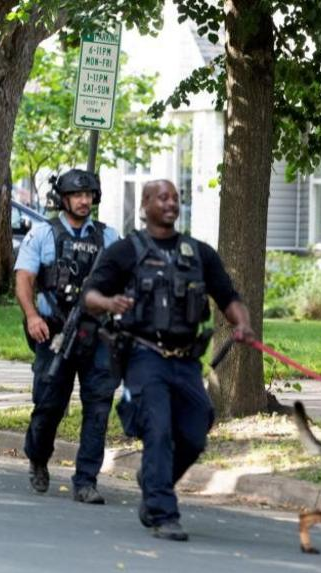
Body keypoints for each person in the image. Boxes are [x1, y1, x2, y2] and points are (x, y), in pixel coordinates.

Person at [83, 179, 254, 541]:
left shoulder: (198, 253)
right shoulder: (125, 251)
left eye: (175, 198)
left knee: (195, 433)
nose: (171, 203)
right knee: (157, 430)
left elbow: (228, 296)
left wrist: (242, 323)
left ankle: (153, 480)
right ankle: (162, 513)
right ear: (145, 205)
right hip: (144, 356)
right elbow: (90, 295)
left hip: (186, 360)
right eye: (162, 198)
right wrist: (110, 303)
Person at [13, 169, 121, 504]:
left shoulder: (109, 236)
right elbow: (24, 279)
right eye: (77, 195)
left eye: (88, 195)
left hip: (96, 332)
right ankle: (37, 456)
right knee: (48, 404)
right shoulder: (43, 233)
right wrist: (32, 316)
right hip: (54, 330)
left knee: (99, 406)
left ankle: (86, 481)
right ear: (64, 199)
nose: (84, 200)